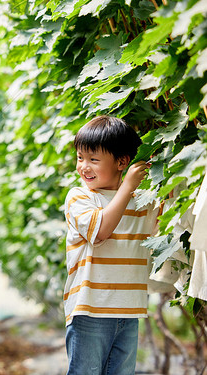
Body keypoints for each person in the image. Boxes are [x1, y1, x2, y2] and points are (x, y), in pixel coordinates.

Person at [63, 115, 157, 375]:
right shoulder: (80, 197)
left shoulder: (143, 200)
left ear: (122, 161)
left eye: (93, 159)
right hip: (90, 309)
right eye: (80, 158)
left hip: (129, 308)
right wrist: (128, 186)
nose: (84, 167)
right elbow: (101, 230)